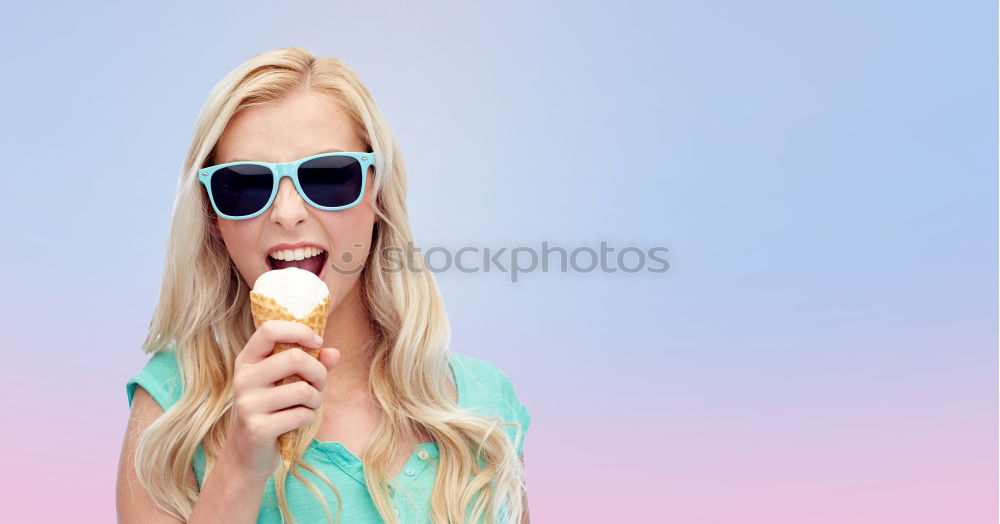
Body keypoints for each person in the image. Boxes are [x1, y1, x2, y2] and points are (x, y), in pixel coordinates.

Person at [115, 46, 531, 524]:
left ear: (377, 196)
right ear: (214, 218)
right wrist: (240, 465)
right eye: (245, 184)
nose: (288, 213)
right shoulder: (172, 406)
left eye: (329, 177)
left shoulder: (483, 407)